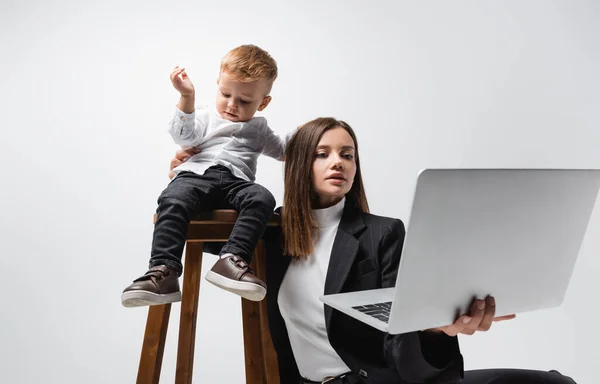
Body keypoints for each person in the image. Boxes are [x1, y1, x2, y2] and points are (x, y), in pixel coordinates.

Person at [169, 118, 577, 383]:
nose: (339, 163)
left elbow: (397, 330)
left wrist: (437, 328)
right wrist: (194, 174)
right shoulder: (267, 235)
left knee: (553, 383)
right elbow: (197, 234)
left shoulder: (382, 234)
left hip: (385, 379)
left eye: (348, 155)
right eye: (323, 154)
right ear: (298, 166)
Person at [121, 44, 294, 307]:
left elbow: (284, 151)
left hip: (236, 183)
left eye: (245, 101)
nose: (232, 105)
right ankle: (163, 271)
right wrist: (186, 97)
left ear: (264, 102)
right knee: (174, 198)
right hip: (196, 177)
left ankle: (232, 259)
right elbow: (183, 135)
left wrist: (304, 134)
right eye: (226, 94)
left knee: (262, 198)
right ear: (218, 85)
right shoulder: (202, 114)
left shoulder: (259, 130)